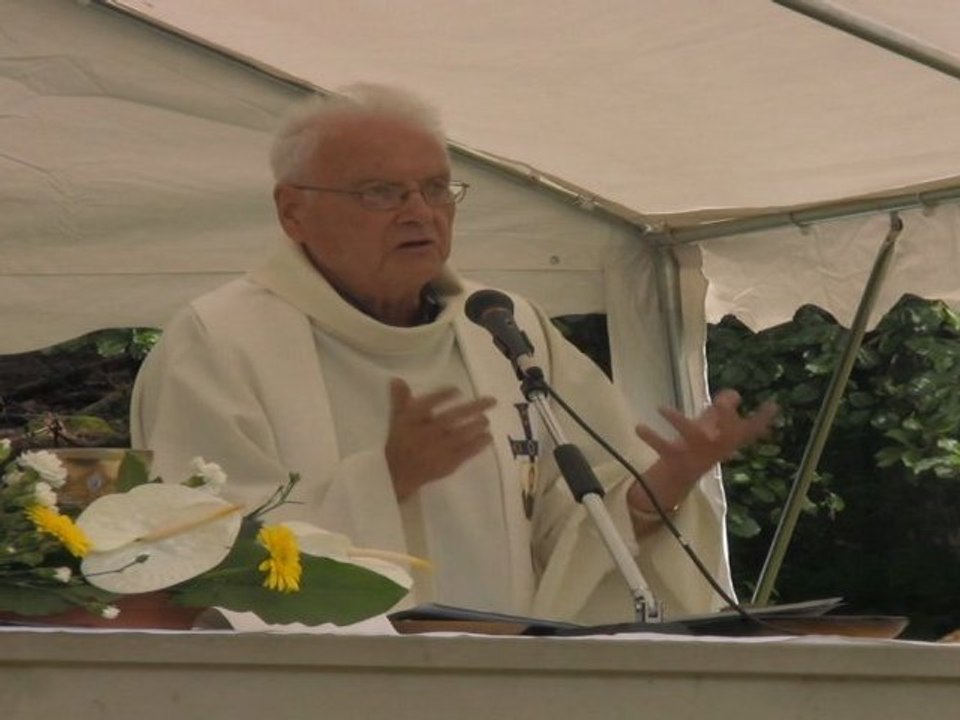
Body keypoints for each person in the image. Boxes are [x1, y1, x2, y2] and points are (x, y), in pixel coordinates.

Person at [131, 83, 775, 624]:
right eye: (380, 193)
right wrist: (385, 480)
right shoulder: (222, 340)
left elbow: (565, 535)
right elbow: (201, 552)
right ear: (292, 210)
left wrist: (663, 484)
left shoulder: (501, 327)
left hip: (499, 688)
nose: (420, 213)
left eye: (437, 189)